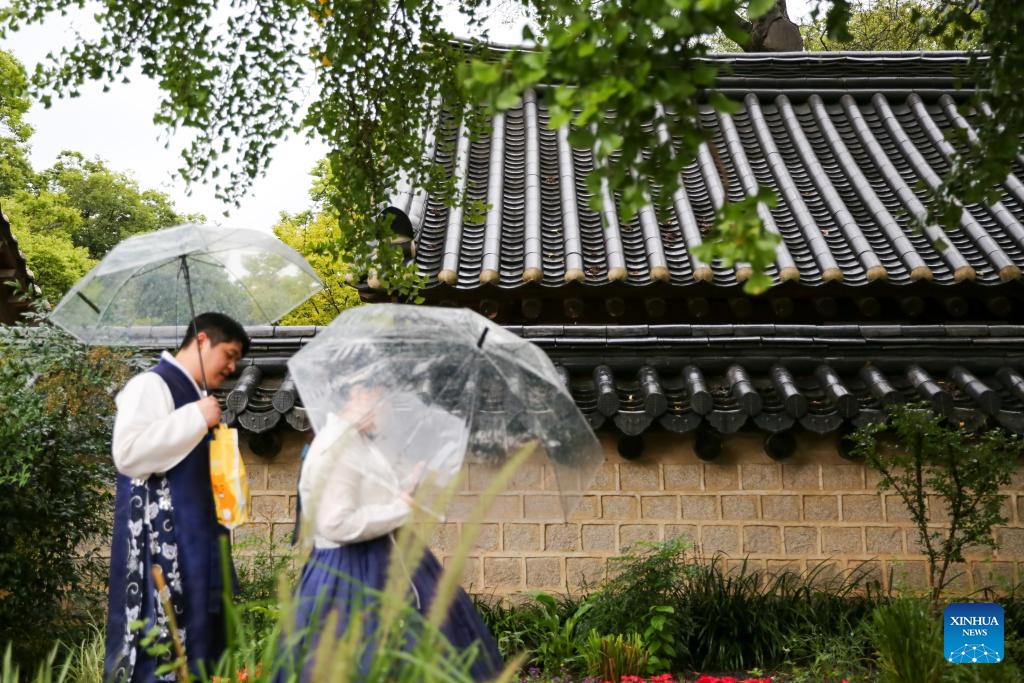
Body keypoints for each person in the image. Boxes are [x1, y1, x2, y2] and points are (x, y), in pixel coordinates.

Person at [283, 382, 503, 681]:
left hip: (386, 558)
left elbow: (366, 496)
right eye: (385, 401)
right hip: (352, 572)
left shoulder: (357, 440)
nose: (388, 411)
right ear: (361, 392)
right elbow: (335, 523)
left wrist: (405, 486)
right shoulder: (337, 446)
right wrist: (402, 506)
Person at [104, 312, 250, 683]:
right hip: (165, 548)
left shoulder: (199, 396)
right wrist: (195, 418)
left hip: (201, 545)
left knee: (207, 646)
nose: (232, 368)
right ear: (202, 341)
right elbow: (129, 454)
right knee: (166, 653)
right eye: (229, 354)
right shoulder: (150, 385)